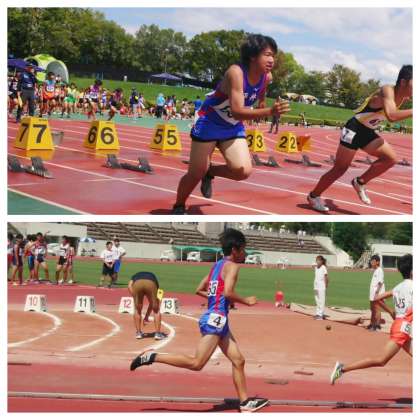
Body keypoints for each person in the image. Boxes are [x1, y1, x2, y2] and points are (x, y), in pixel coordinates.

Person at [130, 228, 269, 412]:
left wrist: (218, 299)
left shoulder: (217, 266)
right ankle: (152, 356)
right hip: (216, 319)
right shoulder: (233, 267)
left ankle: (244, 403)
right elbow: (228, 292)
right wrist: (246, 301)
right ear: (234, 250)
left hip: (218, 318)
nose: (245, 253)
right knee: (197, 363)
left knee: (238, 360)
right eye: (243, 249)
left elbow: (199, 289)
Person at [171, 34, 290, 214]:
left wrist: (262, 101)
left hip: (232, 126)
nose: (272, 60)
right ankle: (179, 205)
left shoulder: (266, 76)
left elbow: (262, 89)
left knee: (243, 171)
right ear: (252, 55)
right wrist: (269, 111)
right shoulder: (236, 73)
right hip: (209, 122)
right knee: (195, 173)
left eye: (273, 55)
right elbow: (237, 111)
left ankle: (210, 172)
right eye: (267, 55)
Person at [308, 65, 413, 212]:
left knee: (390, 159)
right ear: (403, 82)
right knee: (339, 169)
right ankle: (313, 196)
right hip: (354, 128)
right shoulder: (387, 90)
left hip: (367, 131)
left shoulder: (404, 97)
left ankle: (360, 182)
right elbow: (392, 116)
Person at [330, 254, 412, 385]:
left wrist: (391, 311)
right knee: (381, 360)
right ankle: (342, 369)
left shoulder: (398, 287)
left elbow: (377, 298)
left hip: (400, 326)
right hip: (402, 329)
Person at [128, 271, 164, 340]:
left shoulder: (135, 276)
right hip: (150, 283)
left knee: (137, 309)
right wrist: (146, 316)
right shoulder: (154, 278)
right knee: (156, 309)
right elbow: (152, 304)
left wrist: (135, 296)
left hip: (137, 283)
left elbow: (129, 286)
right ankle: (157, 334)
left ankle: (138, 333)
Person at [368, 254, 385, 331]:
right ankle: (372, 323)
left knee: (377, 309)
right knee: (372, 309)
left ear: (377, 262)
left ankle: (377, 325)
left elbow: (380, 282)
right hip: (373, 293)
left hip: (377, 294)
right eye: (371, 261)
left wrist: (377, 293)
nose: (371, 262)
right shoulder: (375, 270)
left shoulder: (380, 270)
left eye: (373, 261)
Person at [314, 255, 328, 320]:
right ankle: (318, 313)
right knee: (317, 300)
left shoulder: (323, 267)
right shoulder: (316, 267)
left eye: (319, 260)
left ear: (322, 261)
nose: (317, 261)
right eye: (317, 260)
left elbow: (326, 277)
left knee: (321, 300)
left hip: (321, 286)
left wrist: (326, 285)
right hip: (316, 286)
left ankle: (321, 315)